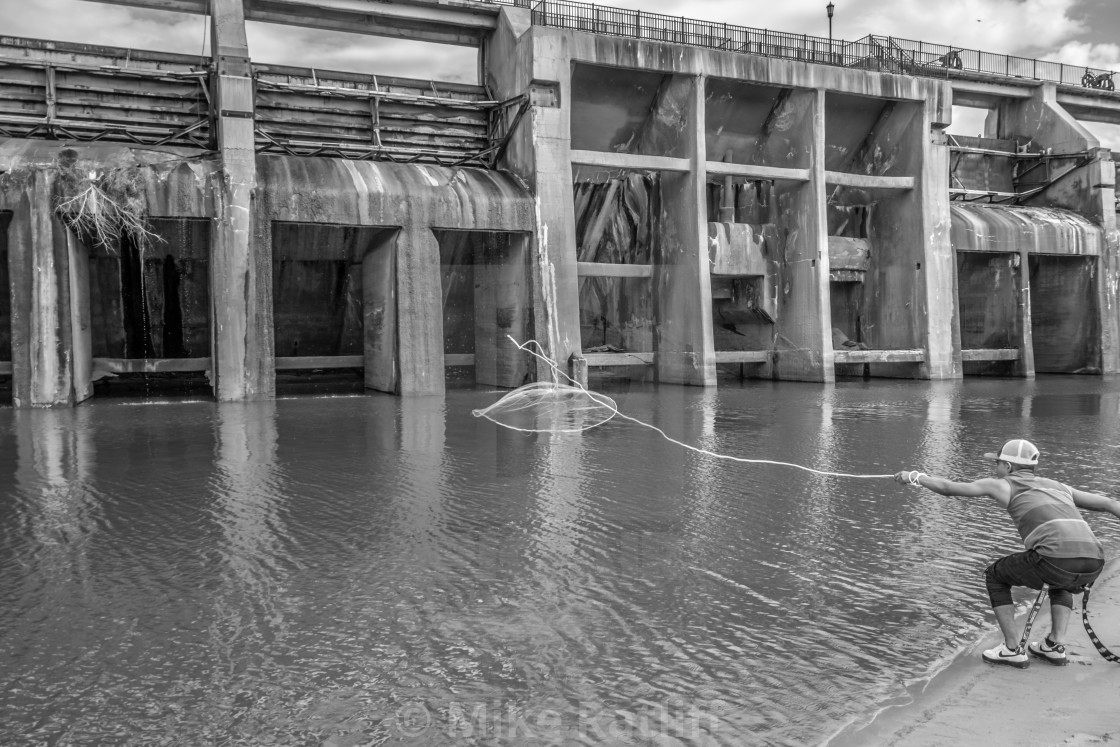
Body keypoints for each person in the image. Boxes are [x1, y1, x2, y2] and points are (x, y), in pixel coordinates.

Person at [894, 439, 1119, 669]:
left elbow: (947, 488)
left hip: (1055, 560)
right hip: (1093, 563)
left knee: (995, 575)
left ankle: (1012, 649)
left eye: (998, 462)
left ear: (1009, 467)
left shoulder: (1002, 485)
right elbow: (1109, 504)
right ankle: (1054, 646)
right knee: (1058, 580)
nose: (996, 468)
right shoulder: (1059, 487)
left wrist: (914, 477)